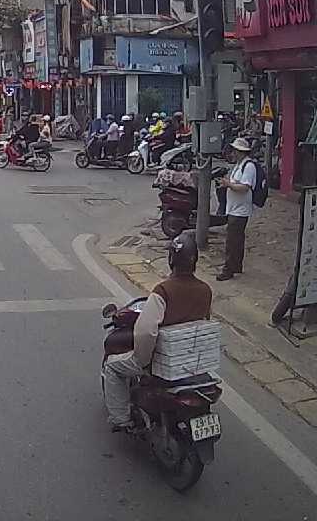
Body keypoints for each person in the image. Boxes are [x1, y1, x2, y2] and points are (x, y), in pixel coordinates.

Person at [103, 232, 213, 431]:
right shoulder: (206, 290)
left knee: (112, 367)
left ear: (171, 260)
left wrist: (141, 360)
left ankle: (121, 419)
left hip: (164, 361)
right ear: (195, 260)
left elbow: (146, 332)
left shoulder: (163, 291)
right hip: (191, 360)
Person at [216, 137, 258, 281]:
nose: (232, 153)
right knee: (237, 239)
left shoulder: (249, 167)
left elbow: (244, 187)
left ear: (240, 152)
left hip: (240, 210)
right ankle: (236, 265)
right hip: (234, 207)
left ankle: (228, 269)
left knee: (232, 241)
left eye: (235, 151)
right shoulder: (239, 165)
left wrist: (229, 185)